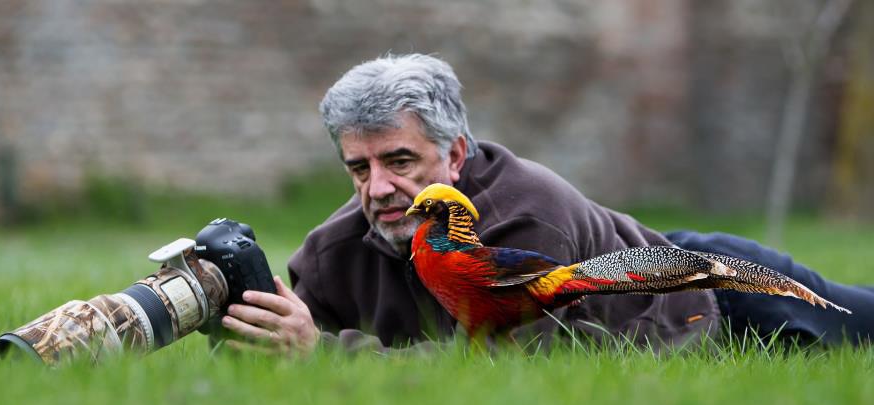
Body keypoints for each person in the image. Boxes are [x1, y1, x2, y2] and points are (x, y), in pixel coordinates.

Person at [219, 53, 874, 355]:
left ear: (454, 156)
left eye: (399, 161)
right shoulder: (342, 243)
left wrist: (326, 354)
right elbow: (285, 335)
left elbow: (504, 366)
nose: (377, 188)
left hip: (712, 293)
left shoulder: (523, 219)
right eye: (358, 168)